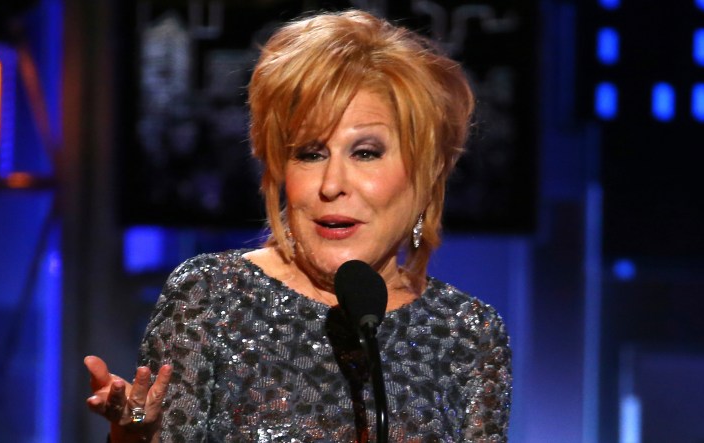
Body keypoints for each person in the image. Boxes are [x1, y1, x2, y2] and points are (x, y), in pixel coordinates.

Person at [85, 9, 511, 443]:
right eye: (310, 153)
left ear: (427, 170)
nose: (332, 185)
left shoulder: (468, 334)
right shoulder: (210, 298)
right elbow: (144, 427)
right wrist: (134, 431)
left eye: (365, 153)